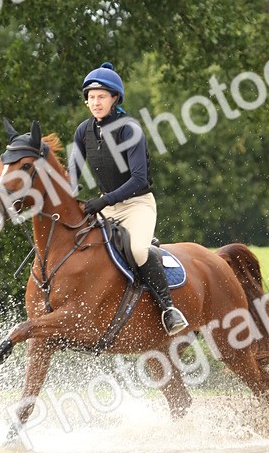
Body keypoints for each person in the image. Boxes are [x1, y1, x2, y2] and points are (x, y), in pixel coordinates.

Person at [68, 62, 188, 335]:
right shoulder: (82, 132)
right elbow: (71, 177)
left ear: (114, 99)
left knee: (137, 251)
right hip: (105, 205)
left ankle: (169, 310)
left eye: (101, 97)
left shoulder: (128, 128)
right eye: (90, 97)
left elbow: (139, 179)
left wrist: (104, 200)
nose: (95, 102)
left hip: (137, 204)